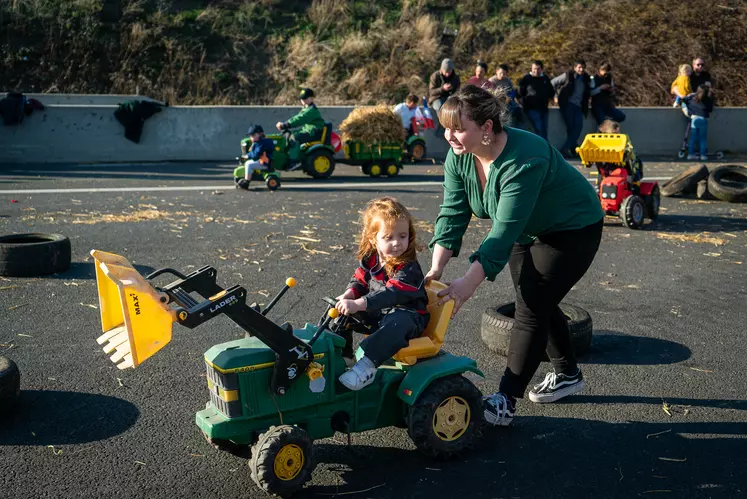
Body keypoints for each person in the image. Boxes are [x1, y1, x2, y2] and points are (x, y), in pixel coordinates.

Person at [427, 86, 604, 427]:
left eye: (458, 128)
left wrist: (467, 284)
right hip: (528, 229)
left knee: (532, 306)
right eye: (446, 127)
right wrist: (435, 270)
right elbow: (452, 212)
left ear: (487, 128)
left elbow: (503, 232)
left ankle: (506, 399)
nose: (448, 136)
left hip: (572, 229)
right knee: (536, 298)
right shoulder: (459, 155)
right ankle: (568, 374)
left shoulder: (526, 158)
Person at [335, 197, 430, 391]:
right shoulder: (371, 260)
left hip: (409, 316)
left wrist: (360, 303)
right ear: (373, 239)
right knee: (339, 313)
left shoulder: (409, 268)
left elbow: (391, 294)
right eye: (389, 238)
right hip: (380, 312)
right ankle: (340, 356)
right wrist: (349, 295)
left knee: (396, 322)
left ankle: (366, 367)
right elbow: (360, 280)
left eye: (402, 236)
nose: (397, 243)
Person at [275, 88, 325, 167]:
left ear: (312, 98)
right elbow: (297, 117)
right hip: (308, 130)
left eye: (305, 98)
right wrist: (286, 124)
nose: (303, 100)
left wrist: (285, 125)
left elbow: (300, 119)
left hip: (314, 132)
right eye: (302, 98)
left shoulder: (311, 110)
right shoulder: (306, 108)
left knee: (294, 138)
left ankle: (294, 161)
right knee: (288, 134)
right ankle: (288, 155)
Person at [552, 59, 592, 158]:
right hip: (567, 104)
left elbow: (589, 92)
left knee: (578, 127)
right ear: (575, 68)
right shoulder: (568, 75)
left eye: (583, 67)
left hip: (579, 106)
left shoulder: (586, 78)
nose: (581, 69)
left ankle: (568, 148)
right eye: (579, 67)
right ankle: (572, 148)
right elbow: (553, 82)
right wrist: (555, 96)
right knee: (571, 127)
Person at [517, 60, 554, 140]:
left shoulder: (545, 78)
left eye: (538, 69)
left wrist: (551, 98)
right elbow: (519, 93)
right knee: (539, 129)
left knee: (544, 130)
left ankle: (545, 148)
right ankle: (542, 148)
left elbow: (551, 91)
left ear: (541, 69)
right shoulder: (527, 78)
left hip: (544, 108)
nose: (536, 71)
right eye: (534, 69)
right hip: (532, 109)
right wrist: (524, 104)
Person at [682, 84, 714, 160]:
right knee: (702, 138)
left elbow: (684, 100)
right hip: (703, 119)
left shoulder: (692, 99)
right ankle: (703, 155)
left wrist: (689, 113)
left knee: (693, 138)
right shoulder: (707, 100)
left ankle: (690, 154)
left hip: (694, 119)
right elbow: (710, 110)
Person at [237, 125, 275, 189]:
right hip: (260, 161)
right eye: (250, 136)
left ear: (260, 134)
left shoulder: (262, 143)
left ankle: (246, 182)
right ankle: (250, 176)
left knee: (249, 164)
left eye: (253, 136)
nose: (251, 138)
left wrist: (247, 156)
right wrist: (247, 155)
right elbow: (253, 152)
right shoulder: (257, 143)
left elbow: (256, 154)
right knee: (248, 163)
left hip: (264, 163)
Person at [489, 64, 524, 128]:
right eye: (501, 73)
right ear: (497, 71)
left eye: (504, 74)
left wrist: (510, 98)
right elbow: (491, 94)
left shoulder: (507, 80)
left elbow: (512, 92)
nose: (502, 75)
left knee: (518, 111)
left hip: (508, 101)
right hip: (497, 102)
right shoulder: (492, 81)